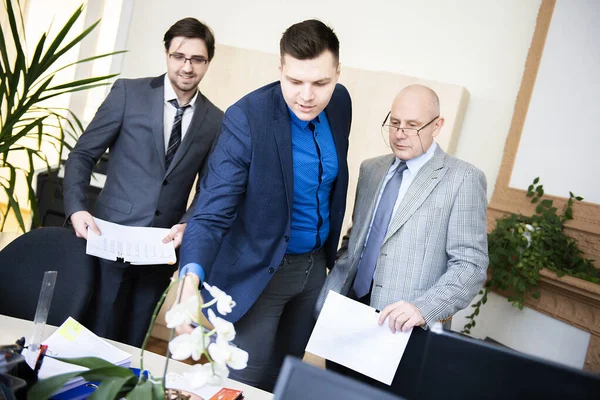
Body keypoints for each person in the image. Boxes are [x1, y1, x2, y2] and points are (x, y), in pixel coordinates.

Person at [176, 19, 352, 391]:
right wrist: (189, 281)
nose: (307, 95)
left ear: (338, 73)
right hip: (260, 270)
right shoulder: (247, 118)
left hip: (314, 270)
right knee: (242, 384)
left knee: (284, 381)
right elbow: (211, 211)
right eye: (295, 81)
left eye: (321, 83)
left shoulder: (341, 104)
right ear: (280, 69)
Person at [63, 17, 223, 347]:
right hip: (110, 238)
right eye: (179, 56)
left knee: (136, 340)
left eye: (197, 59)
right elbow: (82, 155)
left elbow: (208, 188)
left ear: (208, 62)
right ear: (167, 54)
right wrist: (76, 209)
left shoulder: (216, 120)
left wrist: (186, 223)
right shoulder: (128, 93)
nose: (187, 67)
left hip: (161, 248)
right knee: (97, 333)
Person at [317, 84, 488, 386]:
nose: (399, 133)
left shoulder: (463, 179)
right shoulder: (371, 169)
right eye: (394, 123)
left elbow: (471, 266)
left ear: (437, 126)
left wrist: (423, 308)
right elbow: (357, 238)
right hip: (347, 316)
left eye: (412, 126)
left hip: (404, 329)